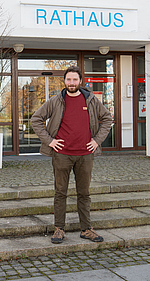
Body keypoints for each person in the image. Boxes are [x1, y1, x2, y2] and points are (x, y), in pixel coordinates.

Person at [31, 66, 113, 244]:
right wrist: (50, 141)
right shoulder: (56, 101)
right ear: (64, 81)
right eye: (68, 80)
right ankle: (59, 229)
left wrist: (97, 140)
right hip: (62, 155)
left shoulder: (91, 100)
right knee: (60, 192)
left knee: (84, 193)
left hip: (85, 155)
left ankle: (86, 229)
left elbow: (107, 118)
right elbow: (36, 119)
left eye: (75, 80)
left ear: (80, 81)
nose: (71, 83)